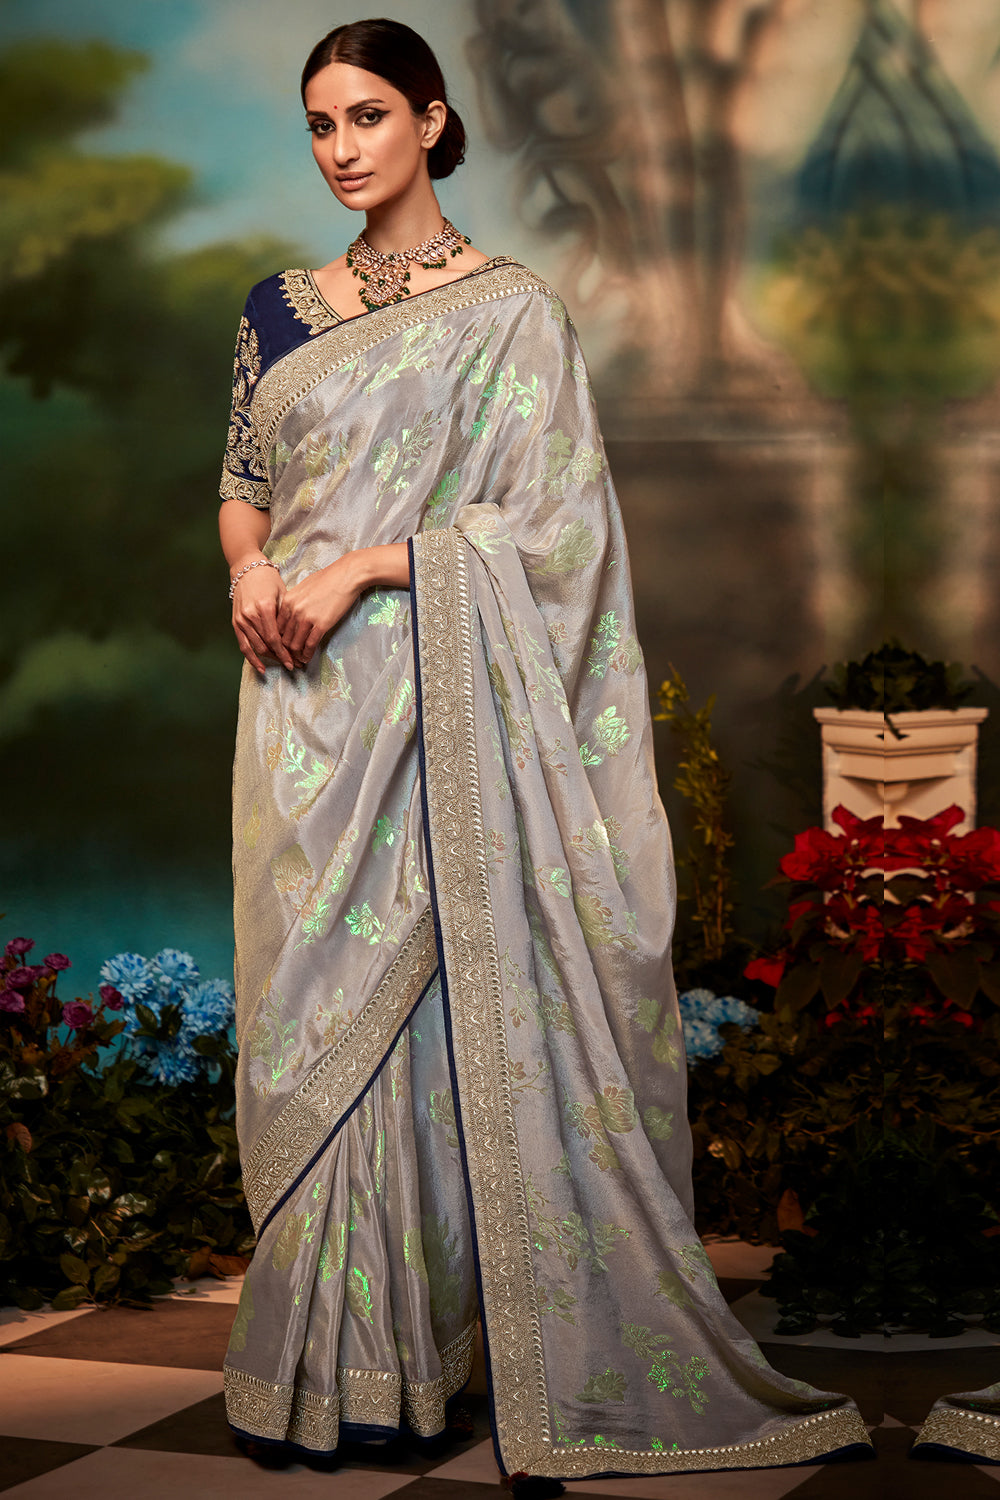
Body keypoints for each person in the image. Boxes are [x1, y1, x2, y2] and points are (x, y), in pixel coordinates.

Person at [216, 17, 873, 1489]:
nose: (341, 150)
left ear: (433, 121)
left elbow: (561, 534)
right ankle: (323, 1369)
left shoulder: (514, 314)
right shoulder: (276, 309)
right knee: (319, 1029)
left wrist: (366, 564)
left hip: (439, 702)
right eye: (319, 124)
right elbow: (244, 482)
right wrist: (251, 570)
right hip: (301, 714)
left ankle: (414, 1367)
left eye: (368, 117)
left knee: (426, 1026)